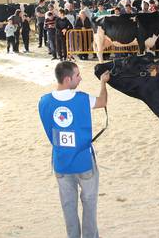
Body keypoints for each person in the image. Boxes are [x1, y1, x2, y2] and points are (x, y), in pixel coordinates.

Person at [39, 62, 110, 238]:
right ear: (68, 79)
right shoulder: (82, 98)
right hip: (83, 161)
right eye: (77, 75)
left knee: (68, 206)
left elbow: (50, 130)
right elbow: (103, 102)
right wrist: (103, 83)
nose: (80, 78)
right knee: (89, 203)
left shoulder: (44, 101)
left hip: (61, 162)